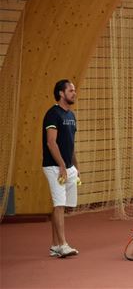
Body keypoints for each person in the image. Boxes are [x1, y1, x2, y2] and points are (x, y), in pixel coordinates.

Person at [42, 79, 80, 258]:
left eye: (74, 90)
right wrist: (62, 166)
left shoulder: (71, 116)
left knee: (61, 205)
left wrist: (75, 167)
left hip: (68, 167)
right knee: (59, 205)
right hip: (54, 167)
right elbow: (51, 142)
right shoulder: (53, 114)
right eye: (70, 90)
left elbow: (70, 145)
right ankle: (63, 245)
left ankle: (55, 245)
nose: (74, 93)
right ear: (61, 93)